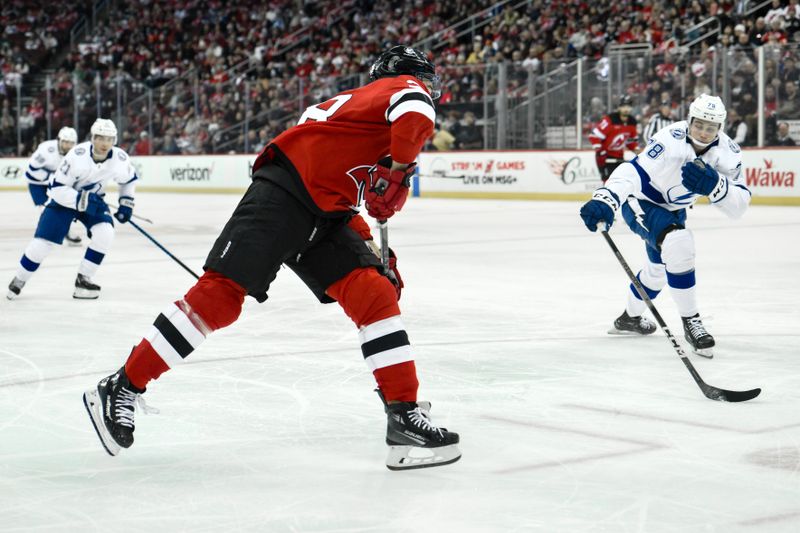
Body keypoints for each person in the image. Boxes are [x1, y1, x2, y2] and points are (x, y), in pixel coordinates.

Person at [82, 45, 461, 471]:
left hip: (325, 213)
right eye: (426, 82)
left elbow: (334, 194)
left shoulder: (356, 113)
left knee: (375, 292)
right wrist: (399, 171)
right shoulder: (403, 91)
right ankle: (122, 385)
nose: (430, 92)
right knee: (219, 297)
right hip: (283, 196)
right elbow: (415, 112)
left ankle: (403, 418)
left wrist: (373, 250)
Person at [579, 94, 750, 358]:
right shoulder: (669, 139)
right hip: (642, 202)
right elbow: (633, 172)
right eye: (699, 124)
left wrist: (716, 186)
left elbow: (739, 206)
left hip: (675, 210)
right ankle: (692, 322)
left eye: (711, 127)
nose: (703, 132)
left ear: (720, 128)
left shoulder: (729, 153)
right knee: (679, 243)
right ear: (689, 120)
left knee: (658, 269)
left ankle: (629, 319)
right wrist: (607, 197)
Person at [7, 119, 138, 300]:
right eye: (100, 138)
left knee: (105, 233)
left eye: (109, 139)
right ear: (93, 138)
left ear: (114, 140)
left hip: (93, 200)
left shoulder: (120, 158)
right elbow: (57, 188)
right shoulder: (76, 155)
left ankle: (84, 279)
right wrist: (80, 199)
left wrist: (126, 202)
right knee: (43, 243)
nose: (104, 143)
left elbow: (129, 181)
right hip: (64, 201)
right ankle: (20, 278)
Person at [25, 126, 82, 246]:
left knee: (64, 206)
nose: (67, 146)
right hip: (37, 183)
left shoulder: (76, 153)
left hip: (56, 183)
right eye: (65, 142)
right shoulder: (46, 149)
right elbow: (31, 170)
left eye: (71, 143)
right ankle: (53, 234)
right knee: (46, 209)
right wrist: (48, 177)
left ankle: (65, 231)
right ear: (59, 140)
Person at [589, 95, 639, 182]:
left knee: (621, 182)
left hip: (619, 157)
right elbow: (594, 136)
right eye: (623, 106)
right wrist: (600, 150)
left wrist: (638, 152)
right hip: (605, 157)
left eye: (628, 106)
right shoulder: (610, 119)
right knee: (608, 183)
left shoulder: (632, 122)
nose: (626, 109)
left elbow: (631, 142)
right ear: (619, 107)